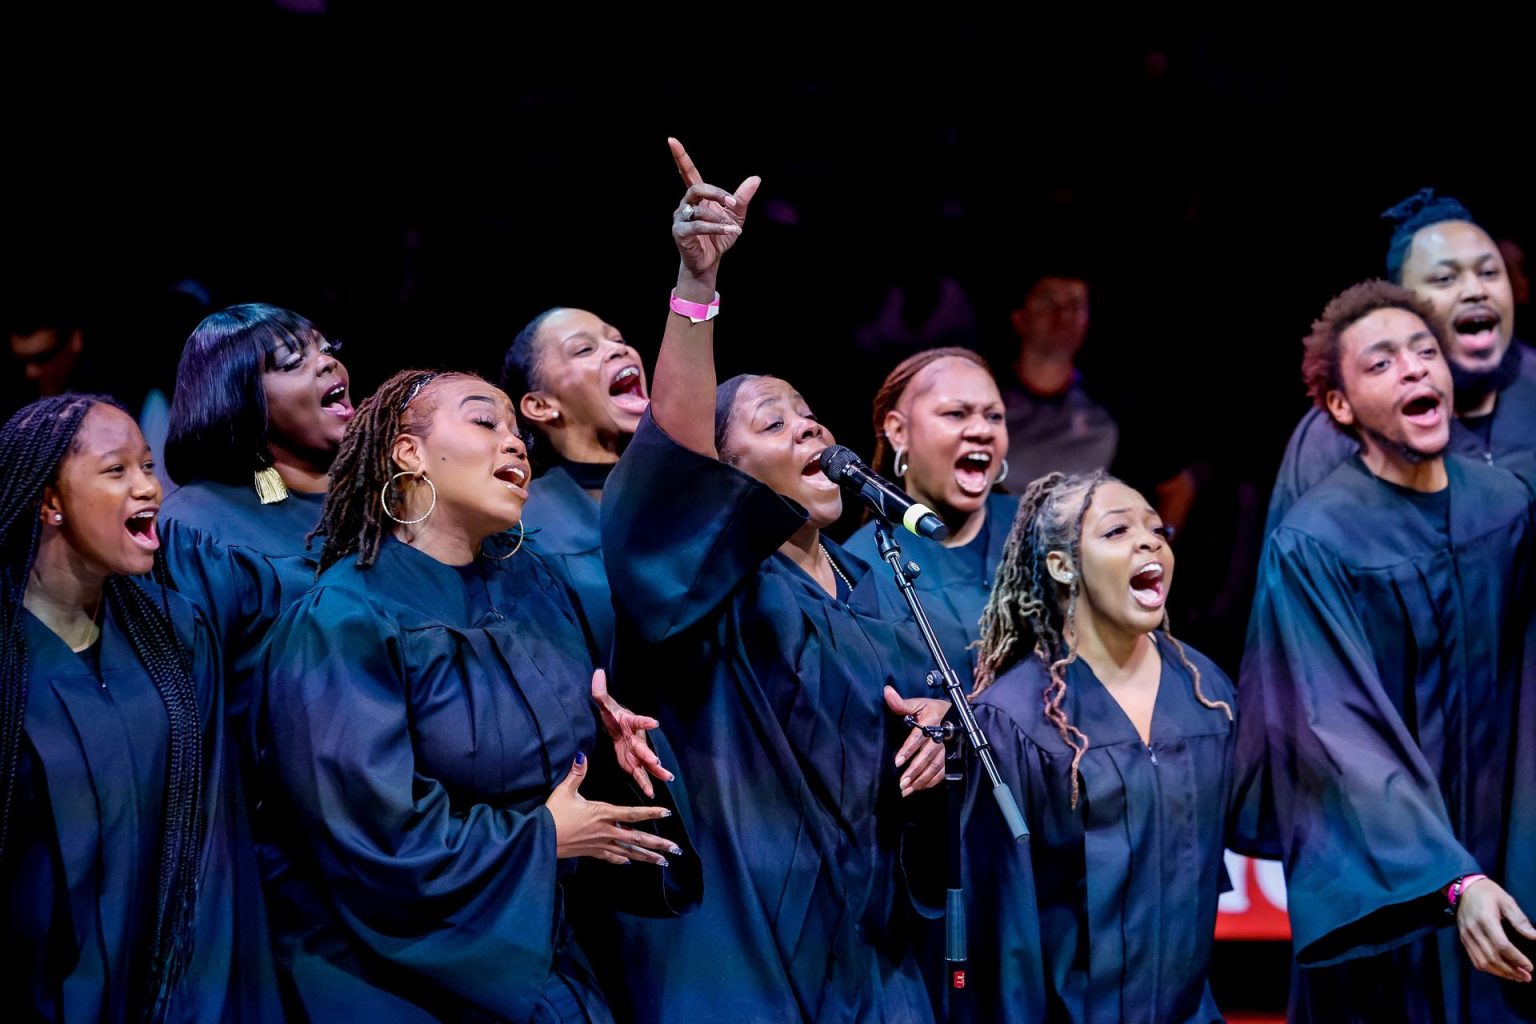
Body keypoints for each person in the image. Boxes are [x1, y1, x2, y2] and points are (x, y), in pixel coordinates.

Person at [599, 139, 951, 1023]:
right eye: (771, 418)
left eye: (808, 411)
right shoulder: (706, 596)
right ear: (718, 475)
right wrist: (695, 288)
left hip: (874, 957)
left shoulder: (880, 594)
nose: (808, 427)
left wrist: (940, 740)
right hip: (743, 951)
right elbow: (672, 459)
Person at [253, 368, 684, 1022]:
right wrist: (539, 838)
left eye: (518, 430)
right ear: (408, 453)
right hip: (408, 978)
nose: (515, 444)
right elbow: (372, 836)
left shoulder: (530, 586)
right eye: (486, 422)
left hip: (543, 947)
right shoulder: (343, 621)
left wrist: (603, 744)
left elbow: (546, 771)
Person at [1234, 281, 1536, 1021]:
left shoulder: (1505, 506)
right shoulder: (1317, 541)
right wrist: (1447, 879)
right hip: (1393, 880)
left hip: (1509, 847)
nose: (1414, 370)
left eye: (1425, 353)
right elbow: (1334, 732)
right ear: (1339, 406)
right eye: (1381, 363)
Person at [0, 395, 278, 1021]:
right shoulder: (9, 659)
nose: (149, 487)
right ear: (49, 501)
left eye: (148, 466)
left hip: (170, 990)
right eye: (116, 470)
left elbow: (214, 845)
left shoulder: (175, 635)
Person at [964, 470, 1236, 1023]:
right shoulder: (1016, 720)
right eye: (1116, 531)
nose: (1148, 540)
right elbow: (1001, 931)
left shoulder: (1205, 695)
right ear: (1063, 566)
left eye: (1157, 529)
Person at [1266, 190, 1536, 533]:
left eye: (1488, 272)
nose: (1475, 290)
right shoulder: (1338, 431)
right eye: (1445, 278)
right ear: (1403, 304)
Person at [844, 346, 1015, 680]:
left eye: (994, 416)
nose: (982, 430)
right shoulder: (863, 566)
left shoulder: (1043, 528)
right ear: (898, 431)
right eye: (956, 413)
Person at [501, 306, 650, 661]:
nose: (619, 349)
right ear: (540, 405)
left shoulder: (682, 488)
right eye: (584, 349)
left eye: (618, 340)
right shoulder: (524, 522)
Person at [1000, 272, 1118, 486]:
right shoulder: (984, 400)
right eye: (1048, 302)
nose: (1063, 315)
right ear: (1020, 318)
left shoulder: (1110, 413)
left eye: (1075, 304)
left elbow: (1177, 484)